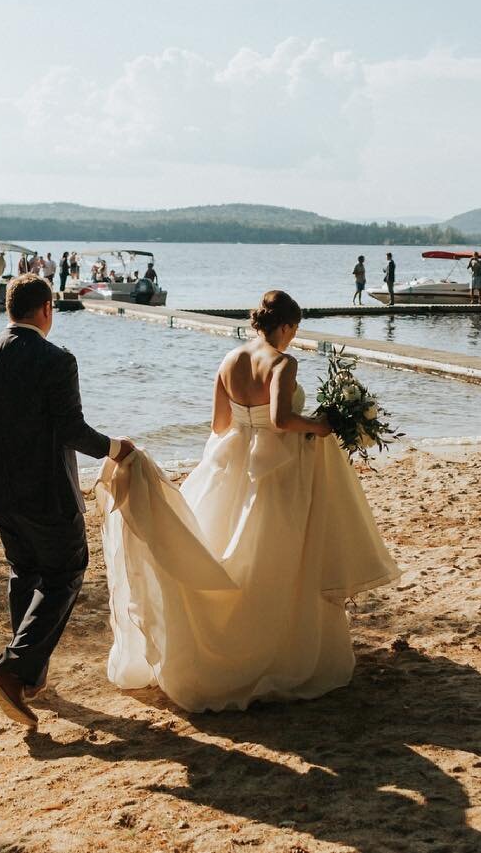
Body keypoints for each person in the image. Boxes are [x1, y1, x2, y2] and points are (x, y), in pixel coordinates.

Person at [94, 289, 401, 711]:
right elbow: (280, 420)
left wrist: (247, 424)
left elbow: (221, 423)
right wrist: (321, 425)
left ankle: (222, 640)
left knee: (223, 549)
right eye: (294, 330)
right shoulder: (282, 362)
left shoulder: (229, 360)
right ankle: (273, 650)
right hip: (275, 473)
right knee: (277, 561)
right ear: (287, 326)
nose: (293, 337)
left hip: (230, 461)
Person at [0, 273, 136, 730]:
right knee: (66, 571)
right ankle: (13, 669)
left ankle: (29, 676)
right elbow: (71, 430)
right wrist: (115, 448)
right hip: (45, 491)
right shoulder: (57, 360)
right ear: (46, 311)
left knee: (26, 573)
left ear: (9, 310)